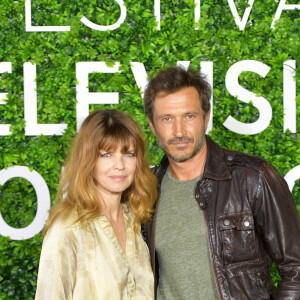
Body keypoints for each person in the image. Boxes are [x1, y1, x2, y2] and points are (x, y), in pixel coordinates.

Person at [142, 65, 300, 299]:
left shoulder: (252, 177)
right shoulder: (146, 190)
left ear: (206, 117)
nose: (179, 131)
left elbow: (295, 268)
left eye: (189, 116)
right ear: (152, 125)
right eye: (167, 119)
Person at [35, 109, 157, 300]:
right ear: (88, 161)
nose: (120, 165)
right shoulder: (68, 227)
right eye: (106, 154)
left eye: (129, 154)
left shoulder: (135, 221)